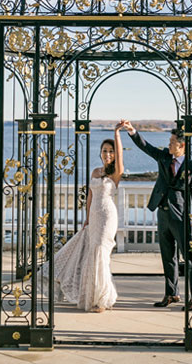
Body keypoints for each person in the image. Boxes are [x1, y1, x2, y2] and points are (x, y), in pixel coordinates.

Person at [40, 122, 124, 312]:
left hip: (107, 216)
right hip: (94, 216)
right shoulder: (95, 171)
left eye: (111, 151)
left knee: (101, 253)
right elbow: (90, 196)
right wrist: (87, 218)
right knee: (90, 254)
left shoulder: (116, 173)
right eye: (104, 151)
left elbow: (119, 157)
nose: (107, 154)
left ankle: (103, 299)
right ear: (100, 153)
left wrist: (116, 132)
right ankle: (91, 296)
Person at [122, 120, 192, 312]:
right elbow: (146, 147)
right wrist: (133, 132)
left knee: (190, 258)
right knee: (168, 257)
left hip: (181, 217)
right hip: (163, 214)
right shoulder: (164, 157)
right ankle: (172, 293)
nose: (168, 144)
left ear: (181, 145)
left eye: (172, 141)